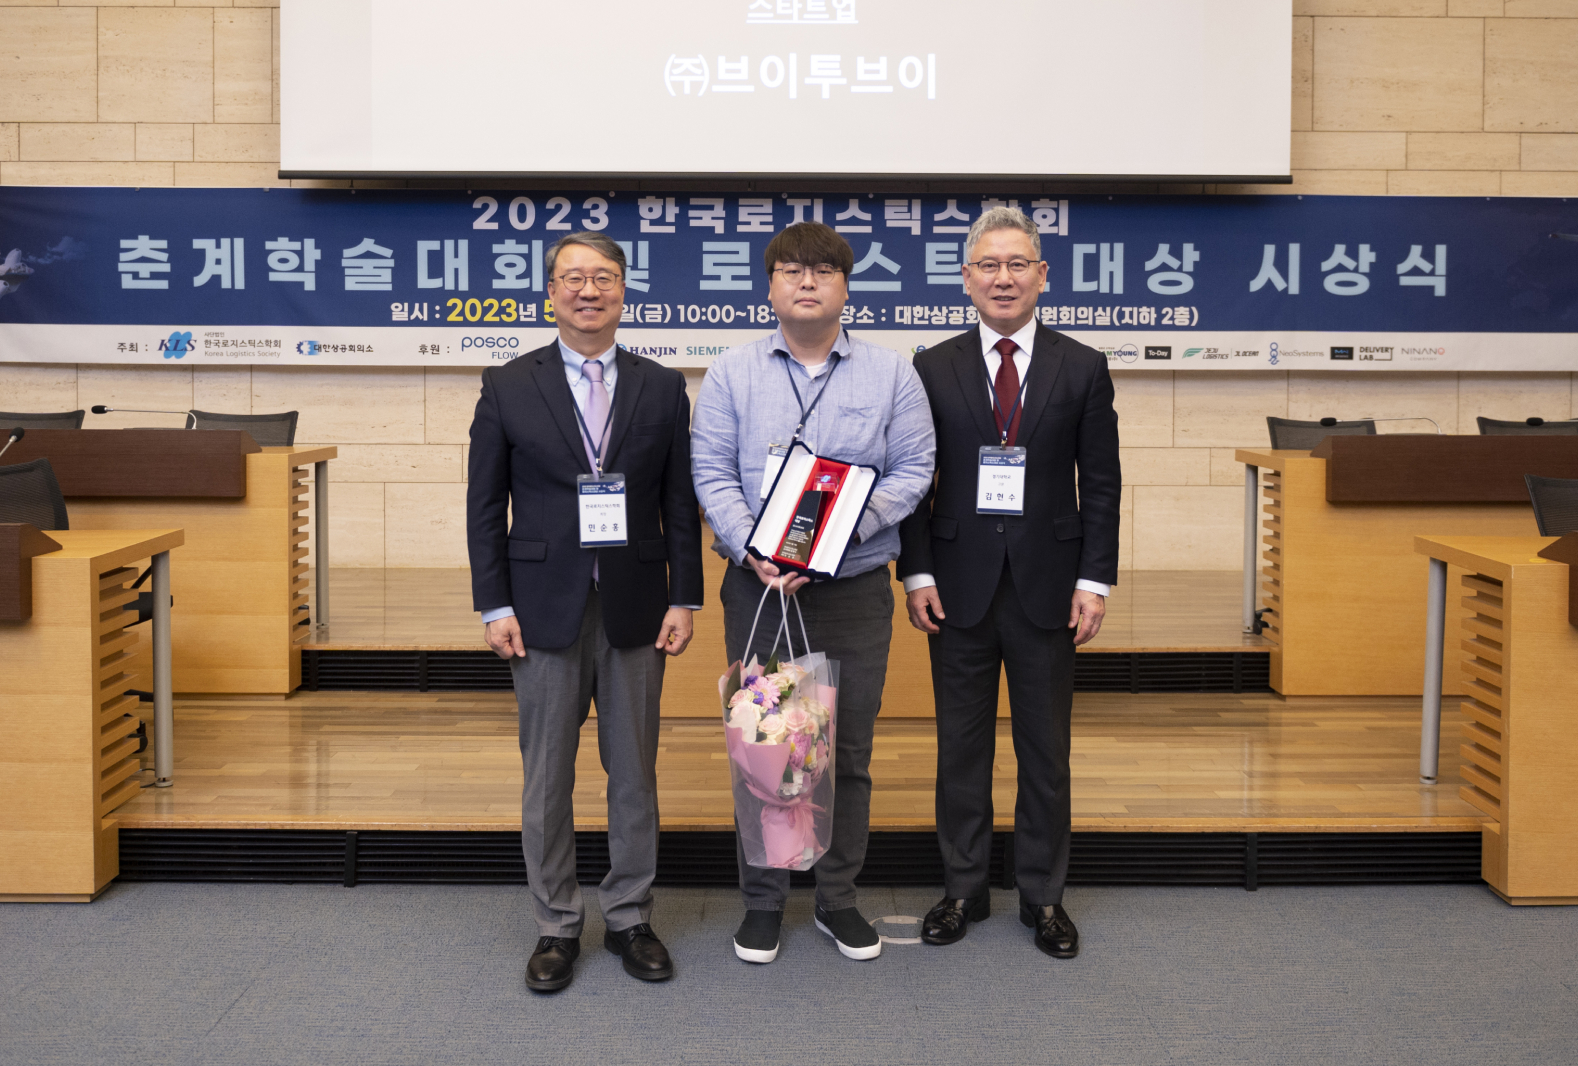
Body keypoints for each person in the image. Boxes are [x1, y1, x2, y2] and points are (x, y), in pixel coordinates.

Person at [691, 221, 935, 965]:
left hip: (853, 589)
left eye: (823, 271)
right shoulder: (732, 373)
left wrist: (837, 537)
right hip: (760, 591)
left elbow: (915, 470)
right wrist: (757, 549)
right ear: (769, 286)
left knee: (847, 752)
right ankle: (764, 902)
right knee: (766, 746)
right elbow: (711, 473)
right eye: (791, 270)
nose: (807, 281)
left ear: (845, 287)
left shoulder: (891, 374)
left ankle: (837, 899)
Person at [466, 231, 704, 992]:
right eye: (573, 277)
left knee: (634, 773)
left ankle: (630, 917)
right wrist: (494, 603)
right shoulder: (508, 384)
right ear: (551, 293)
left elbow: (679, 500)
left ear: (623, 290)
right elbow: (484, 507)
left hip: (637, 604)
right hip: (540, 609)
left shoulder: (661, 387)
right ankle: (557, 924)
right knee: (547, 777)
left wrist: (684, 594)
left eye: (603, 277)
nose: (588, 290)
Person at [897, 206, 1121, 959]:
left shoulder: (1081, 366)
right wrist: (916, 570)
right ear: (966, 278)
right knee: (960, 750)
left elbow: (1103, 484)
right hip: (955, 586)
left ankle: (1043, 896)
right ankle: (962, 889)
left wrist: (1095, 580)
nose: (1003, 278)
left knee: (1044, 752)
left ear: (1042, 275)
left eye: (1017, 264)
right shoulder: (932, 366)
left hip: (1049, 587)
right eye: (988, 265)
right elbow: (915, 480)